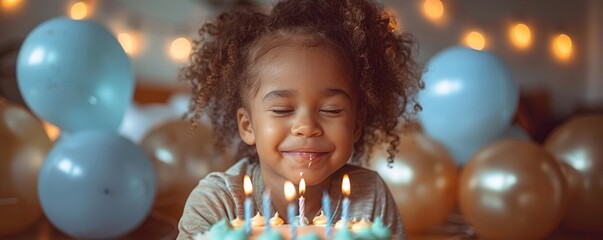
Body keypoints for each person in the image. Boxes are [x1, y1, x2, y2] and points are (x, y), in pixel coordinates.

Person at [177, 0, 422, 238]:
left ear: (356, 124)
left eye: (331, 110)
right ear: (247, 125)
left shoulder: (370, 197)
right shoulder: (218, 202)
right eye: (283, 110)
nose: (307, 127)